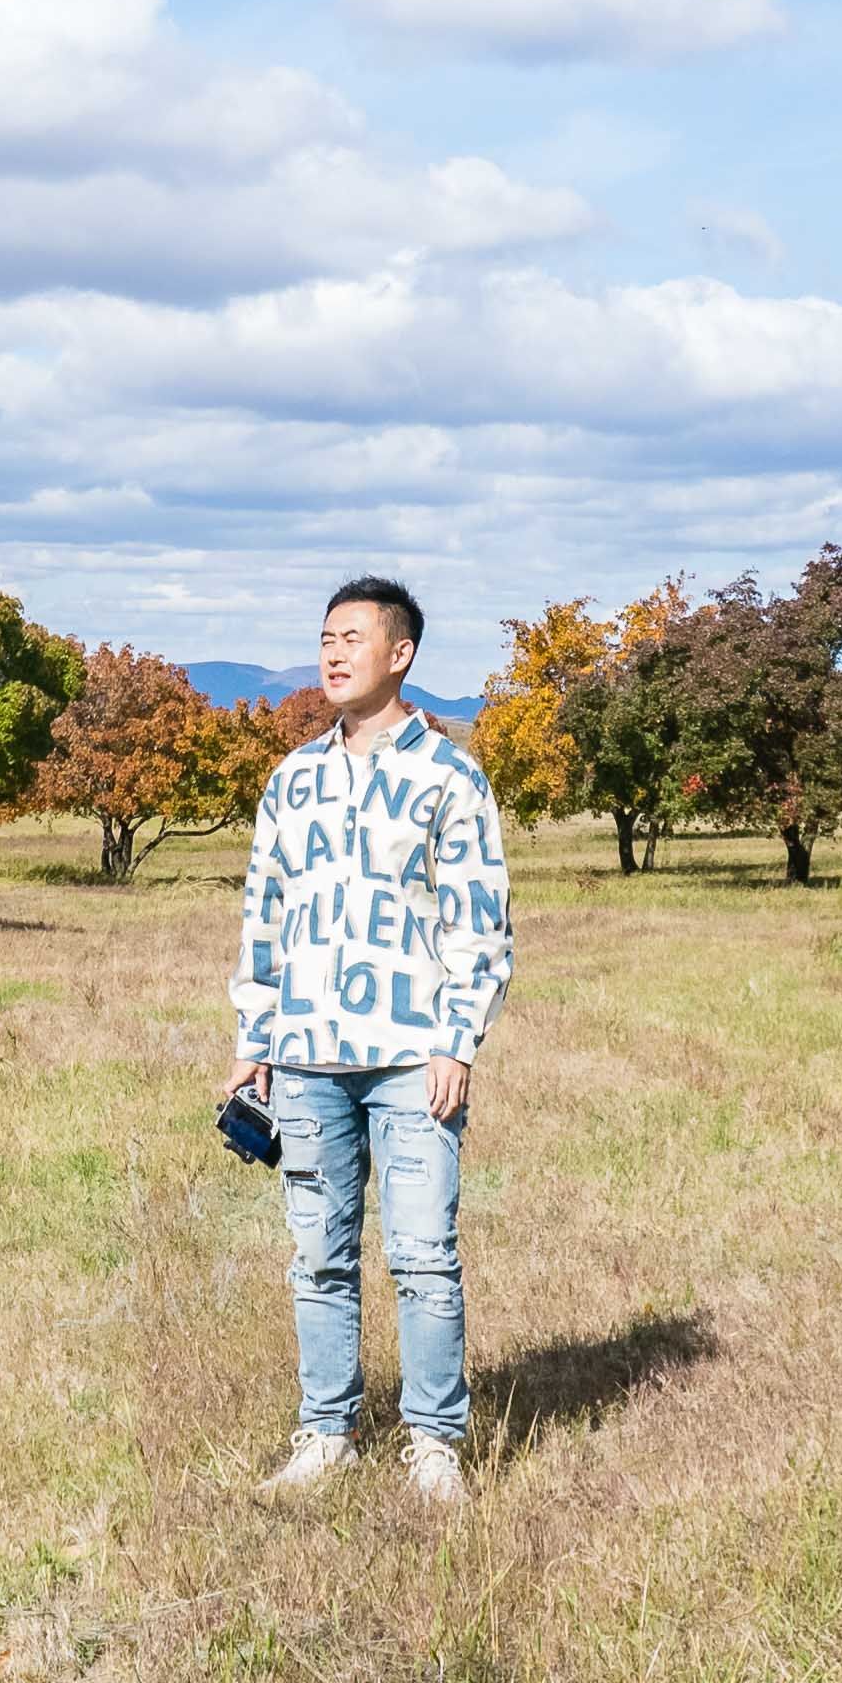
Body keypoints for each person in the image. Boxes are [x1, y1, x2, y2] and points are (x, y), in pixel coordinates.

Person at [229, 571, 513, 1506]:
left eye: (353, 638)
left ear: (402, 654)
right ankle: (327, 1433)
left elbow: (480, 919)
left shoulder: (450, 775)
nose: (334, 654)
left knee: (425, 1252)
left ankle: (434, 1443)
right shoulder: (292, 779)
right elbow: (263, 916)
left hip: (410, 1056)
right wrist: (253, 1037)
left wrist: (457, 1041)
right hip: (307, 1054)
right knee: (319, 1254)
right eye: (325, 639)